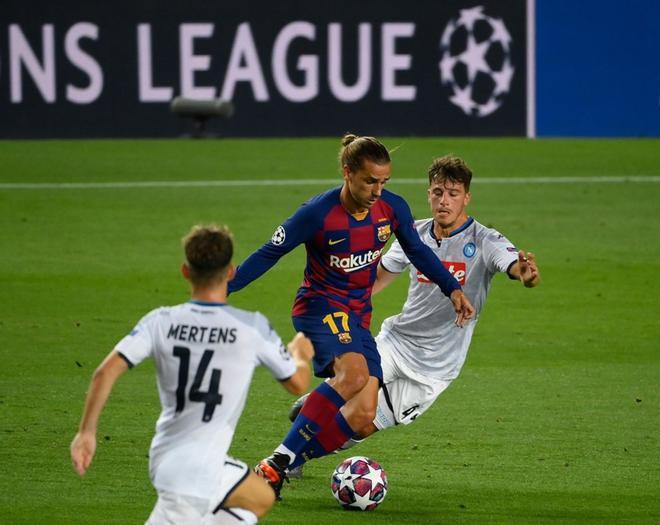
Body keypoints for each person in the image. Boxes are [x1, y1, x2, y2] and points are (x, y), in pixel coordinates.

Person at [227, 134, 475, 497]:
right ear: (348, 173)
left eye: (384, 182)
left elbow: (418, 252)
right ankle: (275, 464)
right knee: (355, 374)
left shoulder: (392, 209)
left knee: (362, 416)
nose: (378, 190)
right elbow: (270, 252)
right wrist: (224, 288)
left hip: (358, 317)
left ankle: (292, 450)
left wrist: (451, 287)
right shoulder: (317, 213)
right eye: (370, 181)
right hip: (320, 307)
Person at [288, 154, 541, 470]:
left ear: (467, 198)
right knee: (355, 394)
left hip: (434, 367)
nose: (444, 202)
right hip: (395, 342)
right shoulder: (414, 234)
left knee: (363, 424)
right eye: (438, 192)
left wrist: (525, 273)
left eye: (453, 194)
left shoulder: (485, 240)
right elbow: (375, 278)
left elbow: (512, 263)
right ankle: (289, 456)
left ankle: (307, 443)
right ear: (429, 194)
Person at [70, 224, 314, 525]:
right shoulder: (250, 327)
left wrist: (86, 432)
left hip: (167, 457)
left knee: (260, 498)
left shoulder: (159, 321)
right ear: (230, 273)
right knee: (254, 498)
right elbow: (298, 384)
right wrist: (300, 353)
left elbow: (104, 373)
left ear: (186, 271)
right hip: (200, 468)